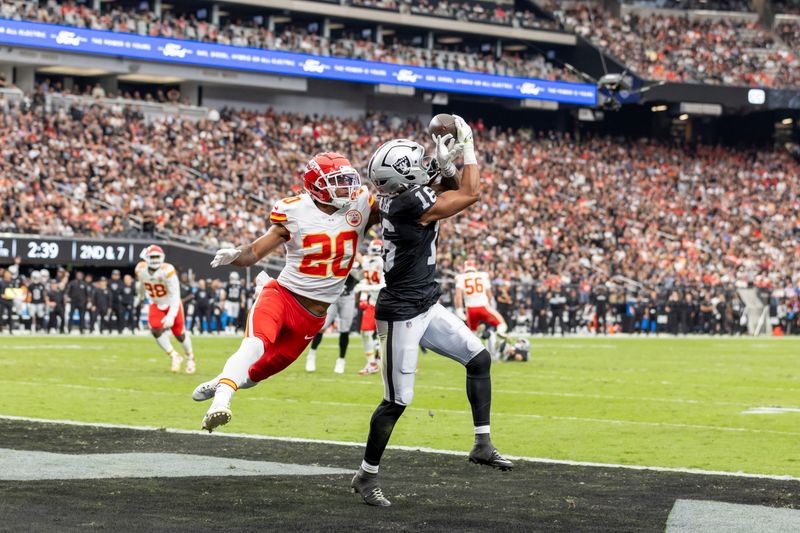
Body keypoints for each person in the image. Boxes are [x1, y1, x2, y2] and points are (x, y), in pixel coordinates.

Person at [351, 119, 513, 508]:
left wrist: (445, 169)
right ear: (402, 179)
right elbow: (468, 193)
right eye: (418, 163)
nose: (425, 165)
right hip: (402, 312)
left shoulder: (399, 197)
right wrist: (467, 147)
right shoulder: (409, 204)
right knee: (396, 401)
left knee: (479, 358)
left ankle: (482, 443)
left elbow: (442, 188)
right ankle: (365, 475)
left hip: (424, 303)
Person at [192, 152, 377, 432]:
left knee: (257, 373)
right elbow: (254, 251)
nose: (345, 188)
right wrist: (235, 255)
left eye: (347, 180)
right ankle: (220, 401)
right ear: (316, 185)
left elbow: (408, 211)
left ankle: (222, 380)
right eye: (337, 182)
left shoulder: (361, 204)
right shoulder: (295, 211)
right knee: (254, 345)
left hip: (313, 317)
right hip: (282, 296)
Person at [135, 245, 196, 373]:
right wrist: (140, 296)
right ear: (146, 258)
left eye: (157, 256)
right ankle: (174, 355)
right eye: (152, 257)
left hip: (172, 303)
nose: (155, 259)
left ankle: (190, 357)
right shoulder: (141, 270)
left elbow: (175, 294)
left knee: (179, 334)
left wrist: (171, 315)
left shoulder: (167, 270)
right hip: (155, 303)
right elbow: (142, 284)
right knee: (155, 330)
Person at [454, 260, 507, 358]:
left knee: (473, 336)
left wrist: (459, 310)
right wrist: (491, 304)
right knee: (501, 323)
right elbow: (490, 295)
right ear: (475, 268)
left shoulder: (460, 278)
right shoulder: (483, 276)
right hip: (483, 307)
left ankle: (474, 355)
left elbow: (458, 297)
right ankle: (500, 331)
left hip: (470, 310)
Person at [354, 239, 385, 375]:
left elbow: (385, 285)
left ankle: (398, 363)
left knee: (387, 336)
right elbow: (366, 279)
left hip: (387, 303)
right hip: (373, 302)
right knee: (365, 332)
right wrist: (363, 297)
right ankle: (372, 363)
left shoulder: (385, 263)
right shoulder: (367, 261)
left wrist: (364, 288)